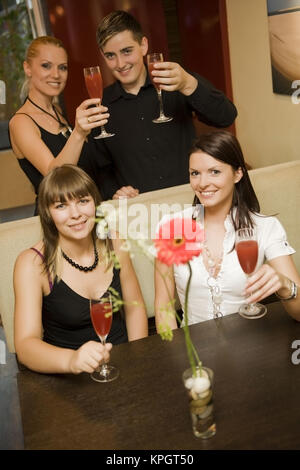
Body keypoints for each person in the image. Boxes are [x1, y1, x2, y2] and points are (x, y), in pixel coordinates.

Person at [154, 131, 300, 330]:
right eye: (195, 173)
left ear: (238, 174)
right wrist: (178, 356)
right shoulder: (171, 227)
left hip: (251, 345)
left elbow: (298, 313)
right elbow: (164, 307)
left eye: (214, 171)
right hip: (194, 352)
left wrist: (284, 286)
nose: (202, 183)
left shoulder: (266, 227)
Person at [13, 165, 148, 375]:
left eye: (83, 201)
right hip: (65, 374)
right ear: (47, 213)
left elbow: (134, 308)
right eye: (61, 206)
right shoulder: (32, 264)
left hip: (120, 362)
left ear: (95, 202)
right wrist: (72, 360)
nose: (75, 214)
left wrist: (139, 362)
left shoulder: (114, 241)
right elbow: (25, 345)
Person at [91, 10, 237, 200]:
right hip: (141, 213)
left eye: (127, 51)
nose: (120, 63)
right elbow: (101, 170)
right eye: (111, 55)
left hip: (190, 202)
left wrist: (189, 84)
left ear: (143, 45)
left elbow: (225, 116)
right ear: (103, 56)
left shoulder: (176, 81)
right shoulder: (101, 106)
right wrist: (114, 192)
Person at [9, 36, 110, 214]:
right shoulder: (21, 122)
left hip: (84, 212)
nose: (56, 75)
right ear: (27, 68)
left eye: (62, 67)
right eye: (46, 65)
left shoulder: (56, 111)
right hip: (56, 221)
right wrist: (78, 133)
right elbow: (55, 176)